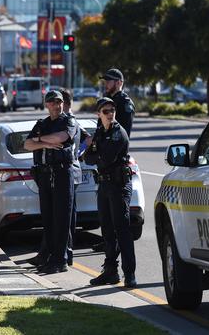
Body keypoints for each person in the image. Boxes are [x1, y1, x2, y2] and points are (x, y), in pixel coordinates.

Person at [27, 89, 91, 268]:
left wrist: (39, 141)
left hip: (64, 172)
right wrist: (45, 141)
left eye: (59, 102)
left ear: (63, 103)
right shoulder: (42, 123)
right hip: (45, 173)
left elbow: (63, 137)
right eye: (52, 102)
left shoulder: (69, 121)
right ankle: (50, 256)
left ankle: (60, 259)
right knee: (48, 218)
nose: (56, 105)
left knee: (62, 219)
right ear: (46, 104)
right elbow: (27, 144)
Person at [84, 97, 137, 288]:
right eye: (106, 111)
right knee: (106, 230)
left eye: (112, 110)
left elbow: (105, 158)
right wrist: (96, 153)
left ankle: (129, 273)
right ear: (99, 114)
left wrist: (96, 153)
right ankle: (110, 271)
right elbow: (87, 158)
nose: (110, 113)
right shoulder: (100, 132)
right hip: (104, 185)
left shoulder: (117, 133)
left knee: (122, 229)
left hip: (119, 185)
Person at [100, 68, 135, 136]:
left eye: (108, 81)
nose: (105, 84)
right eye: (105, 81)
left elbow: (124, 131)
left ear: (119, 83)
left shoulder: (125, 102)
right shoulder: (107, 100)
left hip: (116, 144)